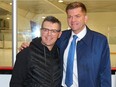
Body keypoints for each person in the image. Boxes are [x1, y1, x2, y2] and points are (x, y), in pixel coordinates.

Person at [20, 2, 111, 87]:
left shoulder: (100, 41)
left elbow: (104, 74)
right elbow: (46, 39)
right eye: (69, 16)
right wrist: (30, 45)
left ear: (85, 18)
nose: (73, 20)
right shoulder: (62, 37)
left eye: (77, 16)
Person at [10, 16, 62, 87]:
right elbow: (15, 83)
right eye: (45, 30)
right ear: (41, 31)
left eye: (53, 31)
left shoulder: (60, 53)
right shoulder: (26, 54)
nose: (49, 34)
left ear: (59, 34)